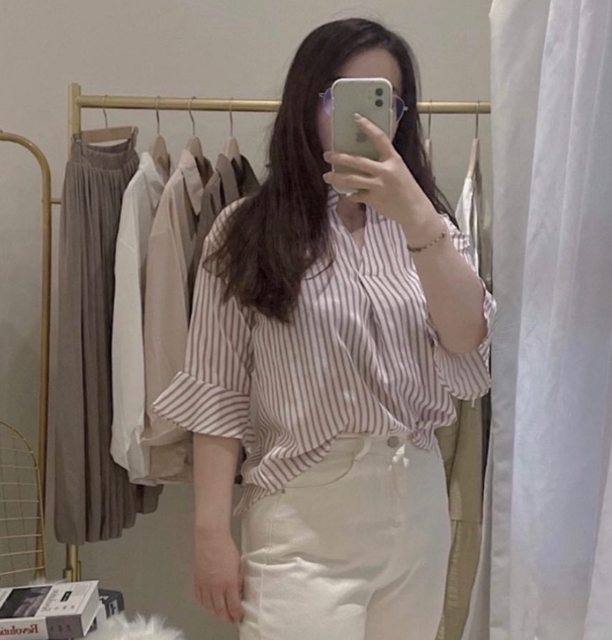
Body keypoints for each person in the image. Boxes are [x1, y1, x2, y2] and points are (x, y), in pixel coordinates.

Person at [152, 16, 496, 640]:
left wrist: (418, 218)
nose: (367, 120)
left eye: (384, 100)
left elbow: (467, 340)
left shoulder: (429, 228)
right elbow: (218, 392)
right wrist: (210, 533)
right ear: (306, 104)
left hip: (415, 507)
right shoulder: (246, 230)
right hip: (302, 521)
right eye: (344, 98)